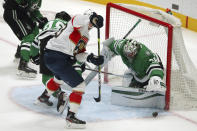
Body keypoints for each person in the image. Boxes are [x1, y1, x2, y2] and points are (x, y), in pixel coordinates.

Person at [36, 10, 104, 128]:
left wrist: (91, 58)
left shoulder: (86, 35)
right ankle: (71, 118)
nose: (92, 26)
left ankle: (44, 97)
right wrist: (92, 18)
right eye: (92, 22)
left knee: (59, 78)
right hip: (55, 56)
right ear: (89, 17)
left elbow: (78, 54)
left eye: (93, 25)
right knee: (80, 86)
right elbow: (79, 19)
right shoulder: (78, 21)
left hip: (55, 58)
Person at [99, 37, 166, 92]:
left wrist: (155, 77)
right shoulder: (122, 47)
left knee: (154, 82)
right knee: (127, 75)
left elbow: (155, 64)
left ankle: (155, 84)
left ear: (136, 51)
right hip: (136, 74)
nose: (128, 56)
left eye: (130, 54)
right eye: (126, 54)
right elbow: (111, 44)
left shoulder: (144, 56)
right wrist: (104, 54)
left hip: (147, 75)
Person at [3, 0, 48, 79]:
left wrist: (41, 19)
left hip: (22, 14)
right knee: (28, 36)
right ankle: (23, 65)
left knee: (35, 30)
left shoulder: (39, 1)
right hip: (14, 13)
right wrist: (19, 2)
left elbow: (34, 10)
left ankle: (21, 52)